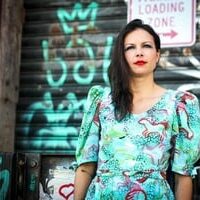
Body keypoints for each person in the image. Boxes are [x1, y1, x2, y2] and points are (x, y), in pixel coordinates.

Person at [74, 19, 200, 200]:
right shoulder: (101, 100)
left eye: (146, 46)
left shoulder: (179, 104)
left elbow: (183, 176)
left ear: (157, 55)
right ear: (121, 55)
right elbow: (85, 167)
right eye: (130, 47)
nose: (139, 52)